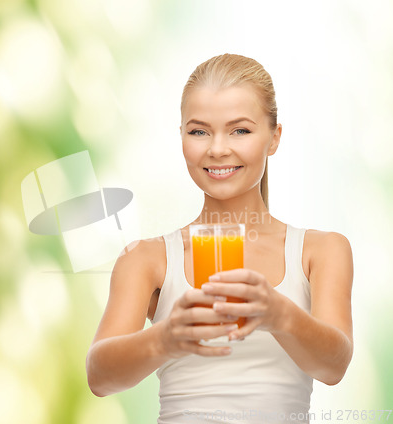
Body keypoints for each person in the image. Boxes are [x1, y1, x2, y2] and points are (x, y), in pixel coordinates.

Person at [85, 53, 354, 424]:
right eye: (199, 131)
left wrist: (279, 314)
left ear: (274, 138)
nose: (217, 148)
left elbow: (334, 366)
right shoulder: (147, 259)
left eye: (240, 130)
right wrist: (163, 339)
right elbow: (99, 376)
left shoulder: (321, 251)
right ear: (181, 137)